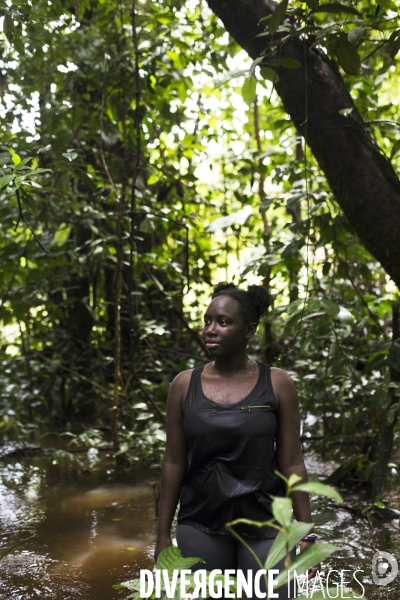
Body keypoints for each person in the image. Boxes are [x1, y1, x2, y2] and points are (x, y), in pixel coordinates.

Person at [155, 283, 317, 599]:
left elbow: (292, 461)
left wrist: (307, 530)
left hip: (267, 521)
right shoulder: (183, 386)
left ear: (250, 330)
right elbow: (174, 463)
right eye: (207, 321)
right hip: (201, 522)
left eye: (223, 322)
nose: (210, 330)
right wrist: (162, 536)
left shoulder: (278, 383)